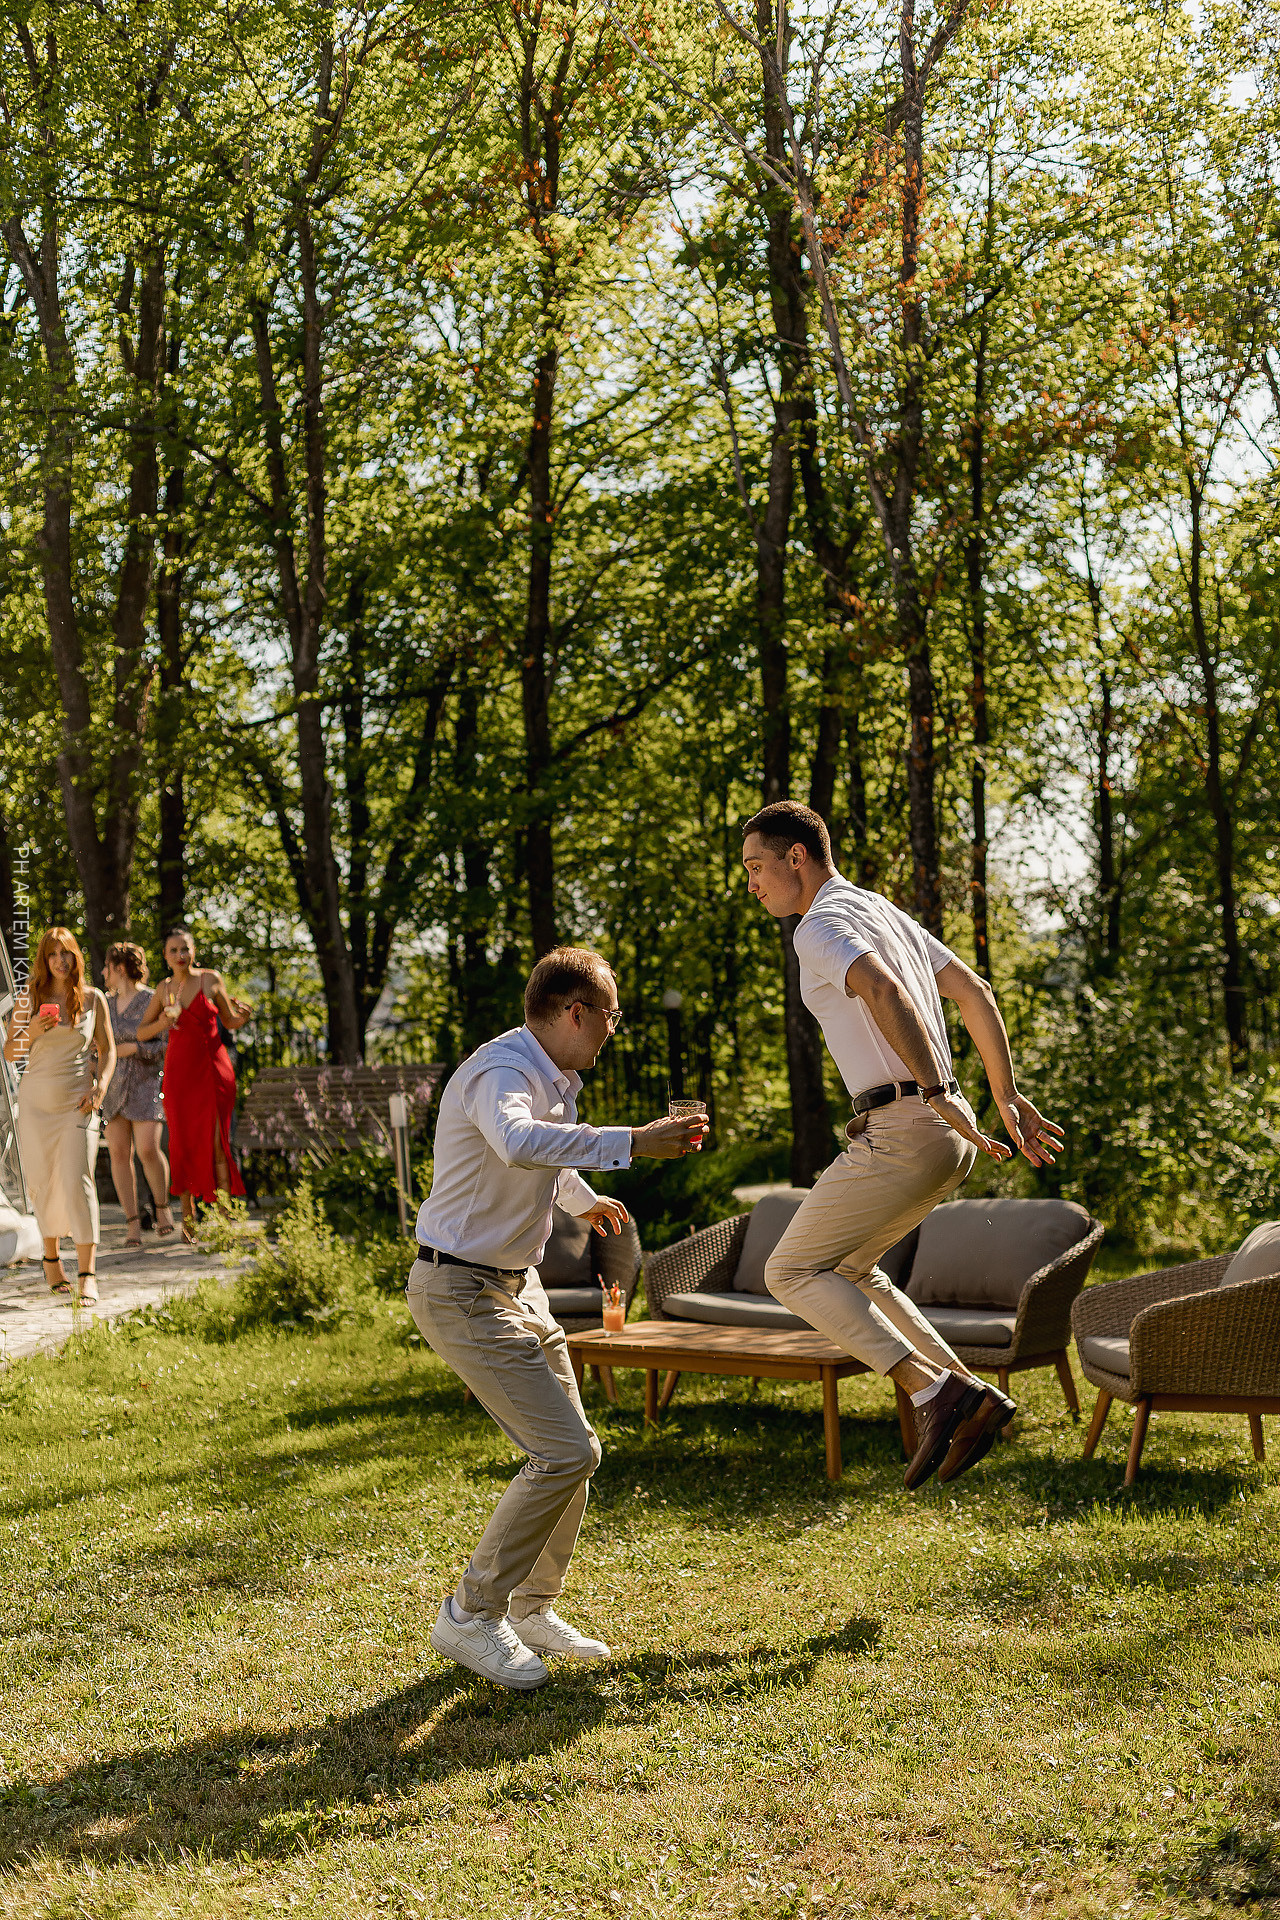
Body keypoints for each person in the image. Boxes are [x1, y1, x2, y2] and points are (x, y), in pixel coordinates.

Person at [408, 945, 707, 1692]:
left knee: (576, 1452)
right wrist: (632, 1144)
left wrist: (581, 1199)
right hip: (461, 1290)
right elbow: (515, 1141)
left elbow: (546, 1159)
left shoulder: (555, 1077)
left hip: (520, 1285)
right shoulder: (501, 1073)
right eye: (610, 1015)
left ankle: (531, 1607)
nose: (614, 1028)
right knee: (566, 1452)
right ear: (576, 1013)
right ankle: (471, 1613)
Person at [741, 801, 1064, 1490]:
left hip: (911, 1124)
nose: (753, 883)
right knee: (854, 1270)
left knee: (789, 1271)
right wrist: (1002, 1095)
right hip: (941, 1132)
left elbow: (882, 989)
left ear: (798, 857)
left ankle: (934, 1391)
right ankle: (970, 1395)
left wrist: (939, 1085)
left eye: (757, 866)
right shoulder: (881, 911)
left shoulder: (820, 925)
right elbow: (974, 992)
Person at [3, 927, 116, 1302]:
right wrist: (32, 1030)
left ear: (76, 957)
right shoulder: (28, 998)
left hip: (77, 1104)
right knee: (43, 1183)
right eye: (52, 954)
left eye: (65, 953)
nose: (59, 961)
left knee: (76, 1179)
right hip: (36, 1107)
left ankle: (88, 1274)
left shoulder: (92, 998)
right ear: (43, 960)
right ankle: (51, 1260)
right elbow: (9, 1053)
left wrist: (100, 1084)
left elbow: (108, 1049)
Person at [137, 928, 252, 1241]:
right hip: (179, 1076)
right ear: (165, 956)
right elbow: (141, 1032)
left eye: (184, 949)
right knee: (181, 1144)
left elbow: (229, 1021)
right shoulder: (162, 989)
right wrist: (163, 1021)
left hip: (213, 1072)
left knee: (217, 1143)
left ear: (194, 950)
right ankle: (188, 1221)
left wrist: (242, 1018)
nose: (180, 955)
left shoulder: (211, 979)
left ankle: (227, 1218)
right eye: (173, 950)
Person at [102, 942, 175, 1247]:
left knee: (147, 1149)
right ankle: (133, 1223)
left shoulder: (150, 1000)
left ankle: (162, 1208)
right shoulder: (103, 1003)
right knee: (119, 1154)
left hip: (146, 1085)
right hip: (113, 1088)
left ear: (119, 968)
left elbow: (167, 1044)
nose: (103, 973)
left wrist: (136, 1048)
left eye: (107, 966)